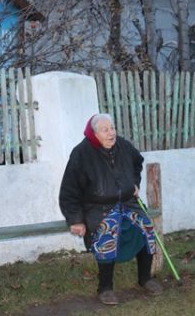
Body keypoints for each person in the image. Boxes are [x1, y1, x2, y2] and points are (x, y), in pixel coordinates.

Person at [59, 113, 163, 305]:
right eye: (105, 130)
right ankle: (105, 288)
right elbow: (69, 191)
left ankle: (145, 278)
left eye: (112, 128)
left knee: (145, 227)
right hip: (98, 208)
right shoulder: (81, 153)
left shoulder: (122, 146)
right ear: (94, 133)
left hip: (127, 202)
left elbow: (137, 162)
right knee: (107, 231)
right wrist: (75, 219)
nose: (111, 133)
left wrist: (134, 183)